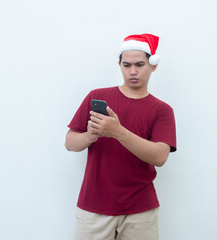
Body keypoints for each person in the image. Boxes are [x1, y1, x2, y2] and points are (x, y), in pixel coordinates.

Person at [65, 33, 177, 240]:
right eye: (126, 65)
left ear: (153, 66)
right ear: (119, 64)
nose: (132, 71)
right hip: (94, 205)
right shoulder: (97, 96)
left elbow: (160, 157)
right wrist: (90, 135)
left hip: (140, 209)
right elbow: (69, 142)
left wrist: (118, 132)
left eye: (139, 64)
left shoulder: (162, 110)